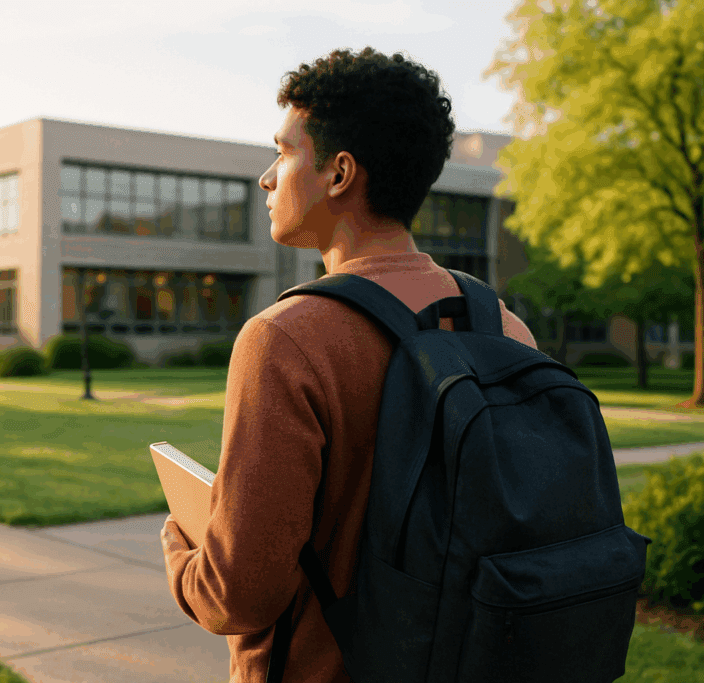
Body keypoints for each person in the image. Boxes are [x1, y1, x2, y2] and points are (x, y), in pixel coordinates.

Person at [160, 47, 539, 683]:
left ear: (339, 174)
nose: (267, 177)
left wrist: (179, 548)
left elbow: (241, 593)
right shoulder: (505, 327)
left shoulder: (286, 339)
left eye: (283, 152)